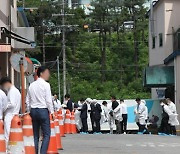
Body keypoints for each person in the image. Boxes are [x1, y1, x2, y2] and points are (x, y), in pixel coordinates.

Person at [26, 66, 54, 154]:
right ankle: (43, 152)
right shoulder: (46, 85)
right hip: (43, 110)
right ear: (41, 73)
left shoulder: (32, 85)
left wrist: (29, 110)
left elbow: (27, 100)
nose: (48, 75)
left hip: (33, 110)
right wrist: (52, 112)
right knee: (46, 134)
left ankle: (35, 152)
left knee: (35, 135)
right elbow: (48, 100)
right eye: (47, 73)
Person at [0, 77, 21, 146]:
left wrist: (4, 107)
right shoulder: (16, 91)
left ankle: (6, 149)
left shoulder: (12, 91)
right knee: (14, 135)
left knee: (7, 134)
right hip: (15, 115)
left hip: (10, 115)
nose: (3, 88)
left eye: (3, 86)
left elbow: (12, 103)